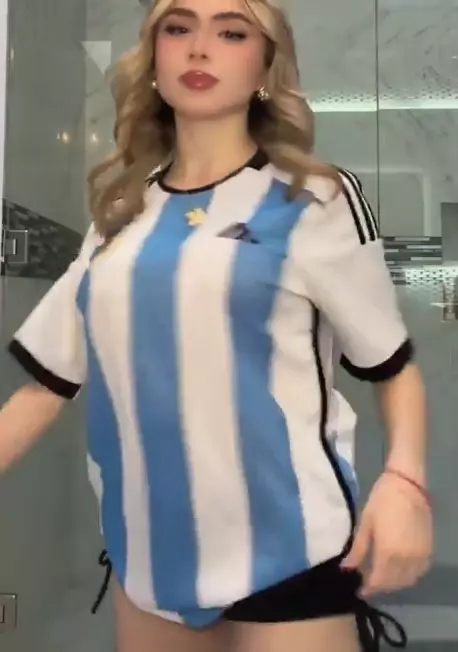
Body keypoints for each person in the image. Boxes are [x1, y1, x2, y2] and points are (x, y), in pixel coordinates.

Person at [1, 0, 433, 650]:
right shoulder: (121, 210)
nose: (199, 47)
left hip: (291, 550)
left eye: (231, 32)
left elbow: (392, 367)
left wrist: (404, 483)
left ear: (265, 66)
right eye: (179, 28)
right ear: (154, 57)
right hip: (148, 556)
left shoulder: (315, 197)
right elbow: (48, 385)